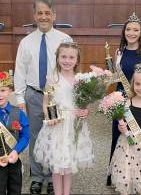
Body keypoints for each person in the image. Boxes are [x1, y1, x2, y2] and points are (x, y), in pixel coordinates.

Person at [14, 0, 72, 195]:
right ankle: (38, 177)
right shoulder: (25, 42)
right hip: (34, 95)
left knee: (57, 138)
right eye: (40, 13)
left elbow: (72, 67)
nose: (44, 16)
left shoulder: (65, 40)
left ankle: (53, 175)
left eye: (47, 12)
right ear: (34, 16)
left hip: (58, 98)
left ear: (54, 15)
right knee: (36, 136)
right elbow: (20, 72)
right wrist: (20, 100)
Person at [34, 42, 94, 195]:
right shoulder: (53, 78)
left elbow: (84, 103)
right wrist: (49, 116)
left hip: (74, 125)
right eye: (64, 56)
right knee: (56, 163)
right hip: (57, 124)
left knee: (68, 163)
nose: (67, 60)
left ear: (77, 60)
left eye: (71, 57)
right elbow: (46, 102)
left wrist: (85, 111)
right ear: (57, 58)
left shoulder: (81, 79)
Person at [107, 12, 141, 186]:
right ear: (123, 32)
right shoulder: (118, 52)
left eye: (135, 30)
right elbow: (115, 78)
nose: (131, 33)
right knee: (120, 138)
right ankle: (119, 178)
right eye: (128, 29)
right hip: (122, 102)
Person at [109, 63, 141, 195]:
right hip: (129, 146)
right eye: (137, 84)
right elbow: (122, 122)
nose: (140, 88)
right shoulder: (128, 102)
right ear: (133, 83)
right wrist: (121, 126)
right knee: (127, 178)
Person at [0, 69, 30, 195]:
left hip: (15, 160)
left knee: (15, 190)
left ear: (10, 91)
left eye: (3, 90)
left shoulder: (19, 113)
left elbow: (26, 136)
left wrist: (16, 151)